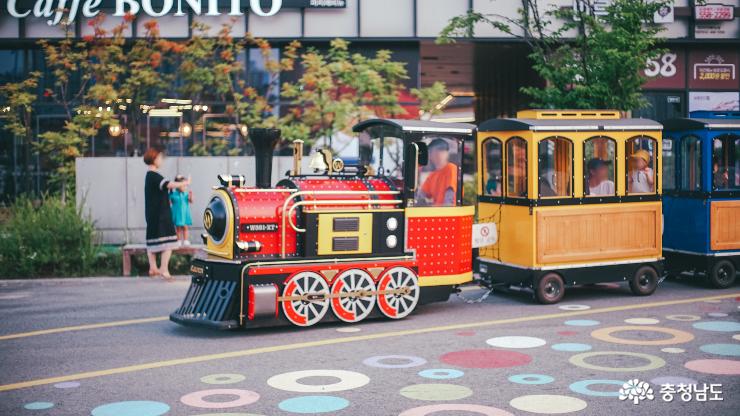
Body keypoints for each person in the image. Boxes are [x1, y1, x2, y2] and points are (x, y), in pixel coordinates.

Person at [144, 148, 190, 280]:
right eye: (159, 158)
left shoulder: (149, 176)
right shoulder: (154, 175)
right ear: (154, 159)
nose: (161, 160)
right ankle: (163, 269)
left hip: (152, 214)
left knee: (152, 241)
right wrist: (184, 183)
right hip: (161, 214)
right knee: (170, 241)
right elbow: (169, 185)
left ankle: (153, 267)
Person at [419, 138, 458, 206]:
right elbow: (421, 195)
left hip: (449, 213)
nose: (438, 154)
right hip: (437, 212)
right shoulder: (432, 175)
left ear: (447, 153)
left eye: (442, 151)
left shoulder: (451, 169)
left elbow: (449, 202)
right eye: (434, 152)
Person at [170, 175, 193, 246]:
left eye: (185, 186)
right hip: (177, 213)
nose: (184, 187)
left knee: (185, 227)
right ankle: (179, 240)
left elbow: (191, 201)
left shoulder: (186, 194)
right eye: (182, 185)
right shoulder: (173, 194)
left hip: (184, 213)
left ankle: (186, 240)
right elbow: (170, 201)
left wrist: (190, 196)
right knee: (178, 228)